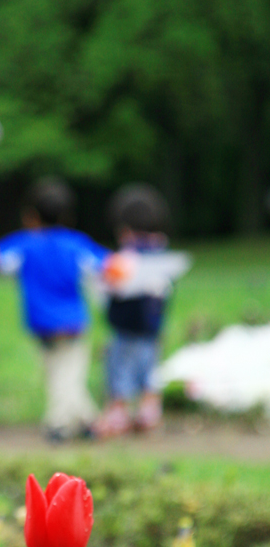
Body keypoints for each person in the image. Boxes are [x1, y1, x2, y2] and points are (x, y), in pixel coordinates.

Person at [0, 177, 109, 440]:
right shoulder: (76, 244)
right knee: (67, 373)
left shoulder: (25, 245)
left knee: (59, 373)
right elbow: (107, 267)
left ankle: (74, 422)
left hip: (41, 324)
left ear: (30, 216)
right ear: (68, 216)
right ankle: (72, 422)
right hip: (73, 323)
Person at [97, 184, 190, 436]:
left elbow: (106, 289)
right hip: (152, 327)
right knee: (149, 371)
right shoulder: (164, 256)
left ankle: (118, 414)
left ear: (123, 228)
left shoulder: (124, 258)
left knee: (119, 371)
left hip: (124, 328)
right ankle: (149, 413)